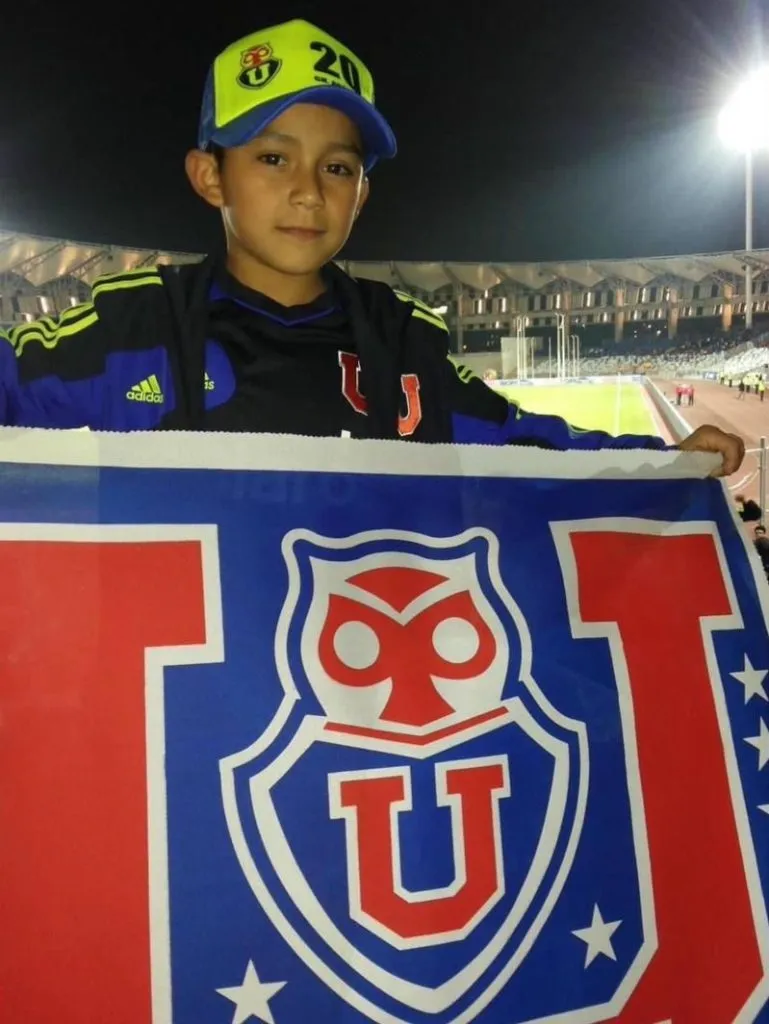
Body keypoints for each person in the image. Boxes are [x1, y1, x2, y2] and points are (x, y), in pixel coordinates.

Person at [0, 19, 744, 474]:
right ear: (209, 176)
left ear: (361, 194)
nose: (307, 191)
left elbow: (525, 445)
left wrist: (663, 465)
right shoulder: (135, 326)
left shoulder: (402, 339)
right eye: (272, 157)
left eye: (337, 168)